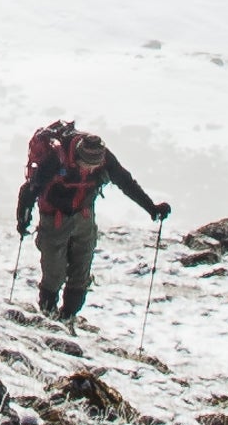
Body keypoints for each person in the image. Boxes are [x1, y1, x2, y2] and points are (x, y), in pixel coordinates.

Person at [13, 117, 167, 319]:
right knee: (54, 272)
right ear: (77, 156)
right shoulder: (55, 157)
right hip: (54, 217)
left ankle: (68, 316)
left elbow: (125, 182)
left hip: (83, 214)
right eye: (86, 165)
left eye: (94, 166)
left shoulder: (104, 157)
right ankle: (47, 314)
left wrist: (152, 208)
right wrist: (23, 218)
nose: (91, 169)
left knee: (81, 270)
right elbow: (30, 190)